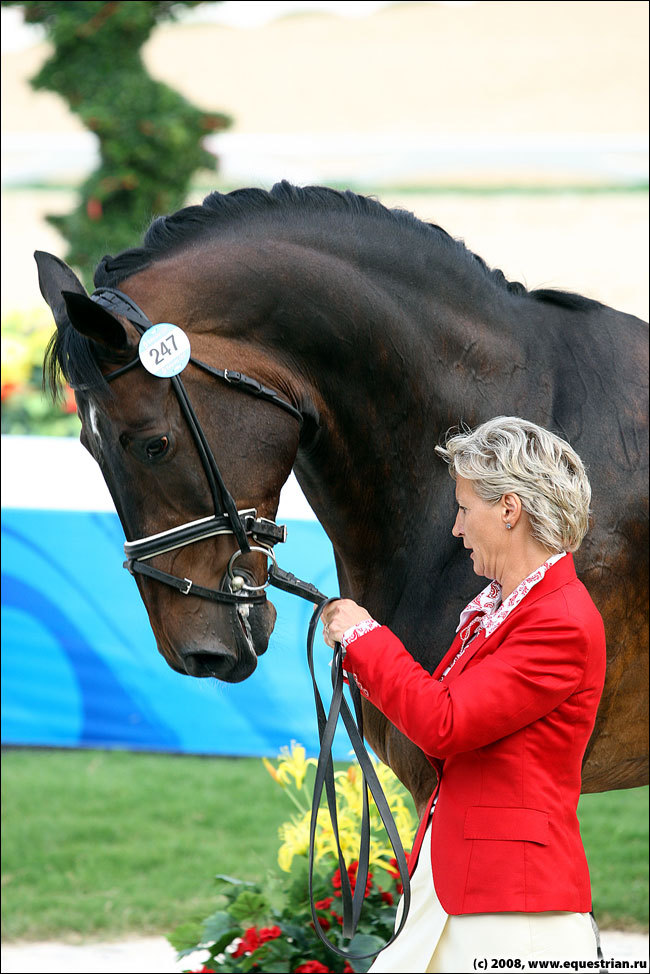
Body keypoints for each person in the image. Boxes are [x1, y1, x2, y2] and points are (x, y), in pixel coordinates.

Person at [321, 416, 606, 973]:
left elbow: (443, 722)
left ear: (508, 509)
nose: (456, 528)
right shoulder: (507, 609)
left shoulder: (560, 621)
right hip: (462, 884)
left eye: (463, 507)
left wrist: (364, 639)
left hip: (512, 910)